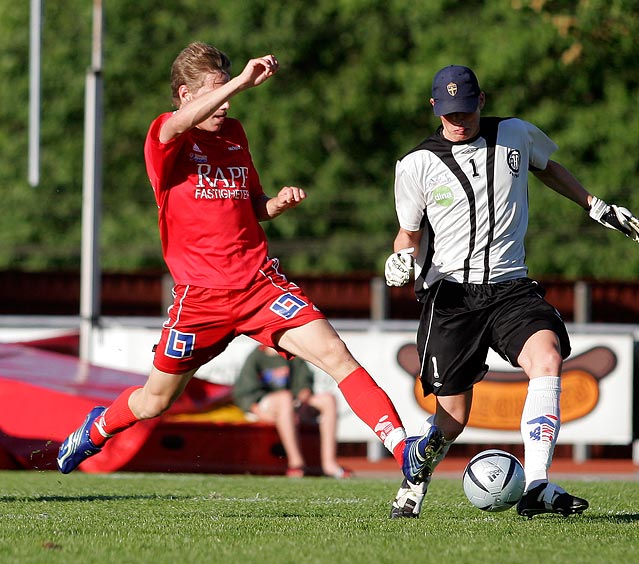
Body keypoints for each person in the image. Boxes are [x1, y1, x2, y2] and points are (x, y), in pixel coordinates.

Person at [57, 42, 445, 482]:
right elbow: (172, 127)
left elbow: (252, 203)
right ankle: (99, 426)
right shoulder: (166, 137)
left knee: (337, 356)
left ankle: (404, 451)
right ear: (186, 95)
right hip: (200, 299)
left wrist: (275, 204)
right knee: (155, 401)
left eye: (228, 91)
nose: (226, 103)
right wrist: (241, 81)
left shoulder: (234, 134)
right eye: (216, 92)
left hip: (259, 285)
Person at [384, 65, 639, 519]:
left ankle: (539, 486)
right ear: (434, 109)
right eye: (449, 114)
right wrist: (400, 259)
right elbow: (406, 234)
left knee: (547, 359)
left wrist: (594, 205)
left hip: (511, 287)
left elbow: (547, 167)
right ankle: (414, 483)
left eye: (466, 110)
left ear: (482, 101)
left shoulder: (516, 133)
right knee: (452, 420)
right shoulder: (416, 164)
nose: (458, 121)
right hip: (450, 298)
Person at [236, 345, 352, 478]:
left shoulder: (290, 352)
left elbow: (304, 385)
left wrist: (301, 406)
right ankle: (296, 464)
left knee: (328, 400)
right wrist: (257, 410)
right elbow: (244, 392)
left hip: (293, 404)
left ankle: (329, 464)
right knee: (285, 398)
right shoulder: (256, 355)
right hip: (268, 406)